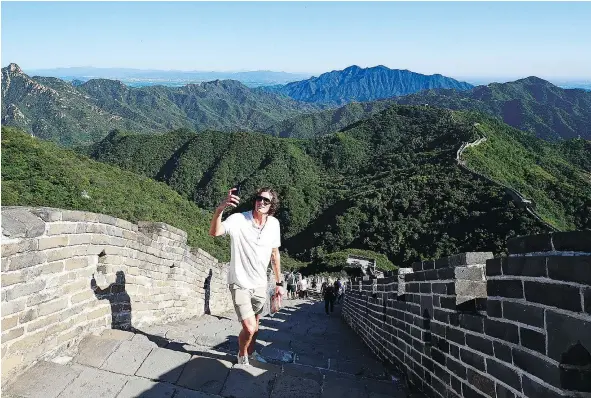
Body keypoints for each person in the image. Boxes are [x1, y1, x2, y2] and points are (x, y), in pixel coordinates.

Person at [209, 186, 283, 366]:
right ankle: (242, 355)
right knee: (249, 328)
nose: (261, 202)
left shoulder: (274, 224)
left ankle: (252, 352)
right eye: (259, 198)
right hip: (240, 283)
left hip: (260, 285)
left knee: (256, 326)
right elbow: (215, 232)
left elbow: (275, 254)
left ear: (272, 205)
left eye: (266, 200)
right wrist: (220, 209)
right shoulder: (239, 219)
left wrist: (279, 282)